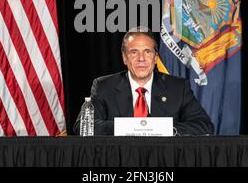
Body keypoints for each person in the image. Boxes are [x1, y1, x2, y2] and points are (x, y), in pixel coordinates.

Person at [73, 26, 214, 135]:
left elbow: (203, 125)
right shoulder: (104, 86)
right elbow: (82, 126)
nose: (141, 58)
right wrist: (129, 127)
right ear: (124, 58)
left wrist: (161, 129)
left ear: (155, 57)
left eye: (147, 51)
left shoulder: (178, 87)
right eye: (134, 52)